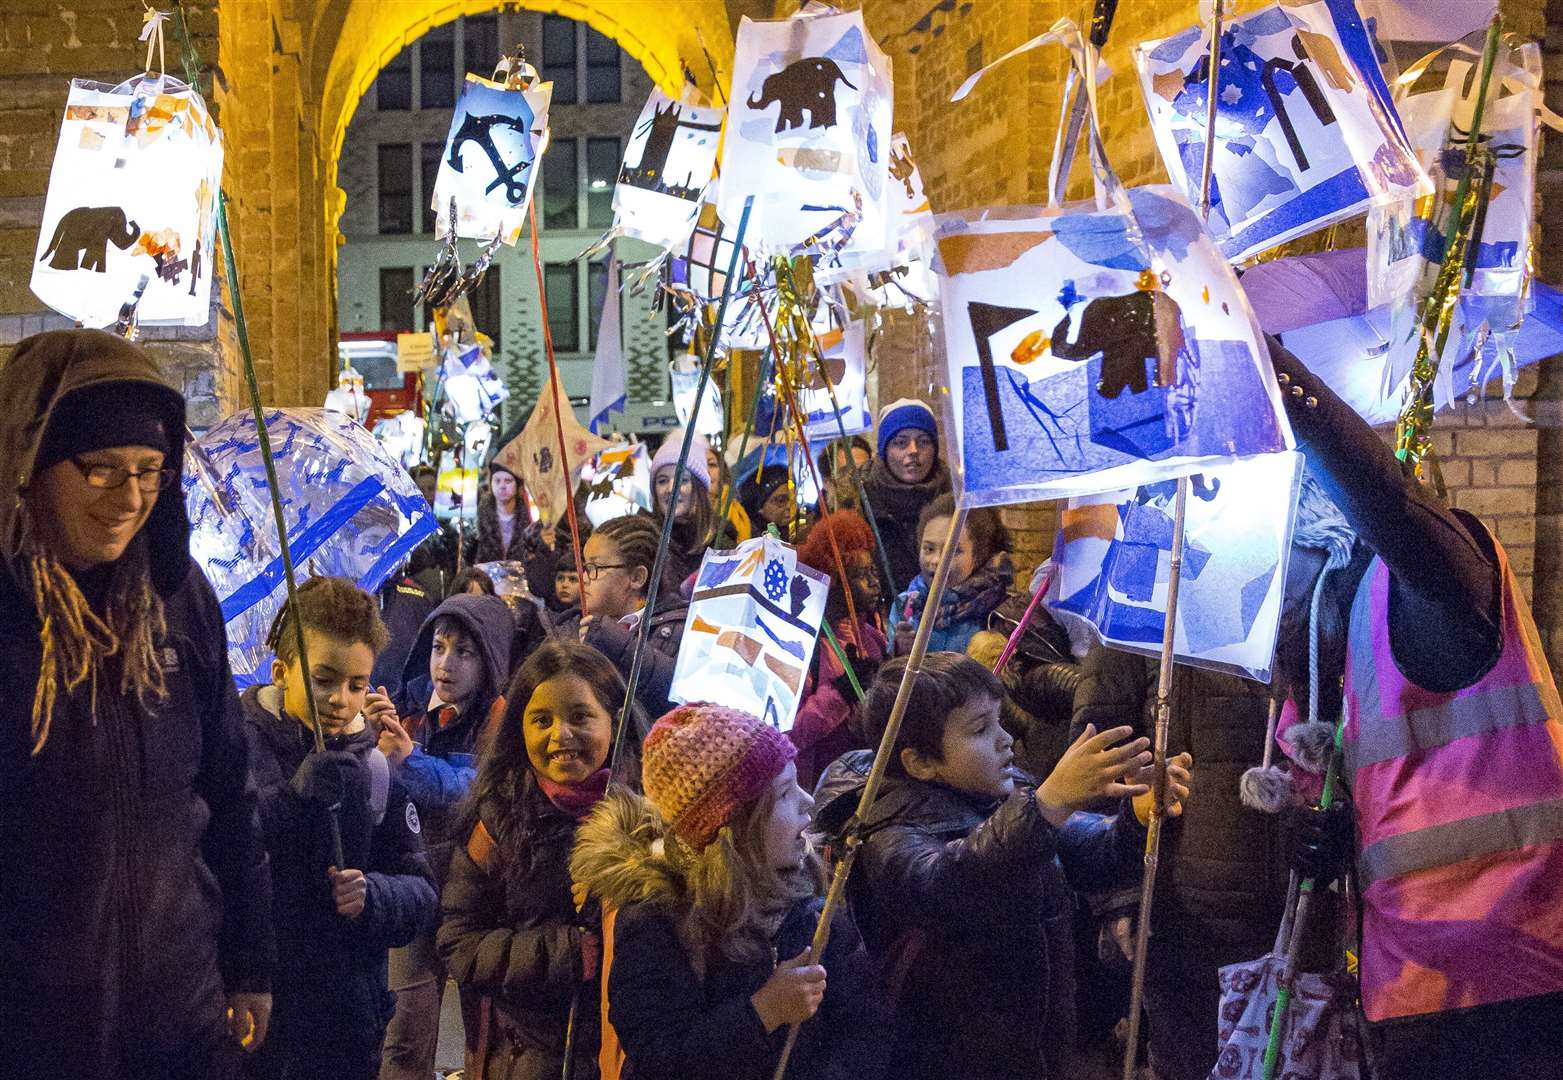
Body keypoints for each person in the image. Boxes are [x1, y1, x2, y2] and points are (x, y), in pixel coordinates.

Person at [1261, 339, 1563, 1080]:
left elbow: (1383, 502)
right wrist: (1336, 838)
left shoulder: (1447, 570)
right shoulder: (1332, 615)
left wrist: (1272, 370)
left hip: (1514, 970)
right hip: (1410, 972)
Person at [0, 329, 274, 1077]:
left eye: (151, 472)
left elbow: (226, 787)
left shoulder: (178, 601)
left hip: (178, 1014)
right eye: (101, 471)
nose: (129, 499)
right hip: (30, 1030)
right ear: (30, 469)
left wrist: (250, 963)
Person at [830, 653, 1190, 1080]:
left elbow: (1093, 854)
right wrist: (1046, 805)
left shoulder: (1007, 791)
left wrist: (1138, 815)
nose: (1005, 739)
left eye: (999, 721)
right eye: (980, 729)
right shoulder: (886, 834)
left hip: (1036, 1051)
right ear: (920, 762)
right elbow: (950, 882)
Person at [571, 703, 874, 1080]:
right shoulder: (657, 922)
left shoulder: (812, 906)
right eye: (783, 794)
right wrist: (763, 1012)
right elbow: (661, 1059)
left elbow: (863, 1031)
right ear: (730, 831)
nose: (808, 800)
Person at [241, 578, 436, 1080]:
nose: (340, 700)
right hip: (260, 1012)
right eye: (324, 679)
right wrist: (291, 800)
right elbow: (221, 855)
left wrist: (372, 896)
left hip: (346, 1021)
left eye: (356, 684)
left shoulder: (372, 766)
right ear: (282, 672)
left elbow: (419, 889)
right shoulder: (237, 748)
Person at [438, 640, 641, 1080]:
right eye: (542, 720)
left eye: (581, 716)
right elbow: (459, 945)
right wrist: (564, 951)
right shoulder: (497, 821)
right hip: (527, 1060)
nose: (561, 735)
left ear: (615, 720)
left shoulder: (647, 821)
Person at [381, 592, 515, 1080]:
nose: (446, 664)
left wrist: (407, 760)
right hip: (414, 886)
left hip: (476, 897)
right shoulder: (404, 703)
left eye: (465, 652)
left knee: (485, 1037)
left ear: (491, 659)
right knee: (403, 1036)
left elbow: (474, 788)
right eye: (439, 647)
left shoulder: (501, 719)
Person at [789, 510, 887, 790]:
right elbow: (790, 736)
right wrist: (839, 694)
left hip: (863, 781)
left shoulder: (872, 637)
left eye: (873, 571)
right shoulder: (805, 643)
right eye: (859, 575)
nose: (873, 582)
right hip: (815, 787)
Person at [576, 514, 687, 723]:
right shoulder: (574, 623)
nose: (584, 578)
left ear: (636, 577)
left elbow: (671, 694)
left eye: (595, 568)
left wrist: (611, 640)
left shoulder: (679, 628)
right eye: (584, 567)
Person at [889, 494, 1012, 656]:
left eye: (953, 551)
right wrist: (899, 653)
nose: (937, 560)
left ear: (979, 556)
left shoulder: (998, 613)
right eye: (929, 549)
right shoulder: (905, 606)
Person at [862, 398, 950, 596]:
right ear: (885, 450)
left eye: (923, 442)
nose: (913, 451)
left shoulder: (956, 501)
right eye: (901, 443)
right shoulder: (858, 499)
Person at [649, 427, 718, 584]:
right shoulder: (644, 543)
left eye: (683, 480)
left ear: (698, 488)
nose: (671, 489)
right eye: (662, 480)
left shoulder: (722, 541)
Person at [406, 464, 460, 595]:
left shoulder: (451, 527)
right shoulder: (405, 527)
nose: (426, 494)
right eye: (421, 490)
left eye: (431, 489)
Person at [476, 461, 532, 564]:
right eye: (497, 481)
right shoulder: (480, 516)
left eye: (508, 481)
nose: (502, 486)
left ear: (517, 484)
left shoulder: (529, 515)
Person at [707, 441, 751, 545]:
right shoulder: (689, 516)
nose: (706, 470)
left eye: (712, 464)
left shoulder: (739, 509)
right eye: (700, 464)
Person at [738, 464, 797, 538]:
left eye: (793, 497)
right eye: (781, 501)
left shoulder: (805, 521)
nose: (790, 506)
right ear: (759, 508)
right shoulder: (752, 542)